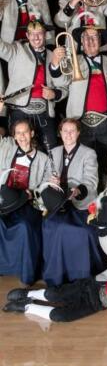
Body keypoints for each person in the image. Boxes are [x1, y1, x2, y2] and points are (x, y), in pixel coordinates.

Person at [3, 202, 107, 321]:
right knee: (55, 294)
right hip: (93, 286)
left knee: (62, 316)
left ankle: (26, 307)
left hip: (99, 303)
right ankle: (28, 294)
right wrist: (102, 229)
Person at [50, 18, 107, 179]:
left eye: (94, 37)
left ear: (100, 41)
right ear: (81, 41)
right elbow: (61, 81)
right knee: (81, 163)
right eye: (86, 37)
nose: (90, 41)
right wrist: (55, 63)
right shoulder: (73, 60)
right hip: (80, 123)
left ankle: (106, 191)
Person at [39, 118, 102, 287]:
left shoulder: (89, 153)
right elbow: (44, 179)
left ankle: (79, 276)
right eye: (65, 131)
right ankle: (56, 275)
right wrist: (51, 181)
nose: (68, 134)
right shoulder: (53, 152)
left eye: (72, 131)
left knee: (78, 231)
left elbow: (91, 181)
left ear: (78, 133)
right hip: (57, 203)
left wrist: (77, 191)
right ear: (60, 133)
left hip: (80, 203)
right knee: (51, 226)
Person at [0, 16, 64, 148]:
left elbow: (64, 86)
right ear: (27, 36)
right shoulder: (16, 49)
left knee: (50, 149)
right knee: (18, 151)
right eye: (32, 34)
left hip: (45, 112)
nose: (36, 37)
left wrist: (54, 94)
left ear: (45, 35)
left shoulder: (54, 55)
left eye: (39, 33)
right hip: (19, 111)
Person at [0, 119, 48, 285]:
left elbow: (45, 185)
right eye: (18, 133)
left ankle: (27, 273)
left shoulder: (43, 158)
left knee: (25, 226)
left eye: (25, 132)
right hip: (5, 201)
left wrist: (32, 194)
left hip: (27, 203)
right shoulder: (6, 149)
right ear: (14, 136)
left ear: (32, 133)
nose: (22, 136)